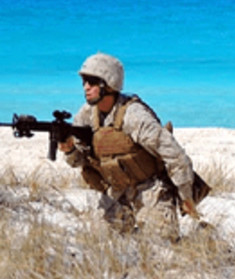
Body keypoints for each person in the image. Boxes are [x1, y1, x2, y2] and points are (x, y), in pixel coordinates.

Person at [58, 52, 200, 242]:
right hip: (116, 191)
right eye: (84, 82)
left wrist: (186, 197)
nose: (86, 87)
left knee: (161, 242)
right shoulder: (86, 115)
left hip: (149, 189)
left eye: (92, 82)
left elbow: (175, 155)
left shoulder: (134, 115)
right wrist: (69, 150)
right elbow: (79, 161)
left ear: (108, 84)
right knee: (99, 241)